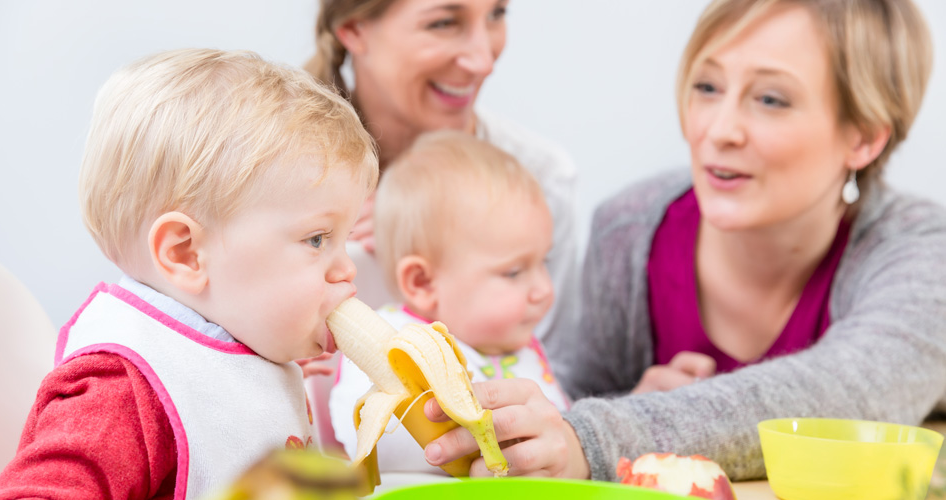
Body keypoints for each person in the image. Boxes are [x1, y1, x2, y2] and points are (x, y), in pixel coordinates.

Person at [418, 0, 946, 482]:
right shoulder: (627, 232)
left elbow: (849, 397)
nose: (719, 129)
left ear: (864, 135)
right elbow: (569, 401)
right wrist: (618, 407)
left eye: (770, 99)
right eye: (707, 87)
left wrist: (598, 436)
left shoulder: (919, 251)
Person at [0, 48, 378, 498]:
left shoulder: (249, 351)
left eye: (344, 237)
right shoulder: (124, 388)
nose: (347, 268)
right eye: (317, 239)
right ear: (185, 253)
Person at [302, 0, 578, 346]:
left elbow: (554, 369)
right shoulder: (267, 177)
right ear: (355, 29)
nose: (484, 62)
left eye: (496, 14)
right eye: (444, 22)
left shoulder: (539, 175)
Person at [329, 131, 570, 474]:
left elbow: (562, 432)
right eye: (514, 272)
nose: (544, 289)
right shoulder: (396, 342)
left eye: (544, 262)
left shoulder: (524, 348)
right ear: (423, 283)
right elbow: (370, 438)